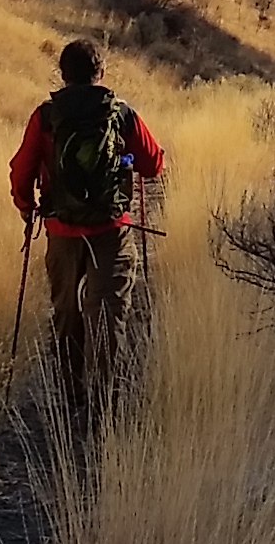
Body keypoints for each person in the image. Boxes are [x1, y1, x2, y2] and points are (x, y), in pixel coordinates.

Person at [9, 38, 165, 406]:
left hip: (62, 231)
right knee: (108, 312)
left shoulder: (46, 117)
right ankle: (103, 397)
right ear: (102, 73)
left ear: (62, 74)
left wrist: (26, 206)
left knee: (66, 311)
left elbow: (21, 170)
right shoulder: (121, 114)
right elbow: (153, 165)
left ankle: (71, 391)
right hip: (110, 231)